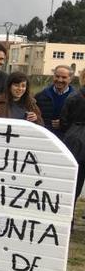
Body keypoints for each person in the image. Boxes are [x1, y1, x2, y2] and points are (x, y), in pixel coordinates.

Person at [59, 67, 85, 196]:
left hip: (75, 140)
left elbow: (64, 121)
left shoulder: (73, 96)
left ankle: (70, 211)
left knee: (76, 180)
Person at [35, 65, 76, 137]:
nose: (60, 80)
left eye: (64, 77)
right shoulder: (40, 96)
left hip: (67, 140)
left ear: (70, 79)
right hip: (44, 137)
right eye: (57, 76)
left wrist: (64, 124)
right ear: (53, 76)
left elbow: (80, 122)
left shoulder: (77, 99)